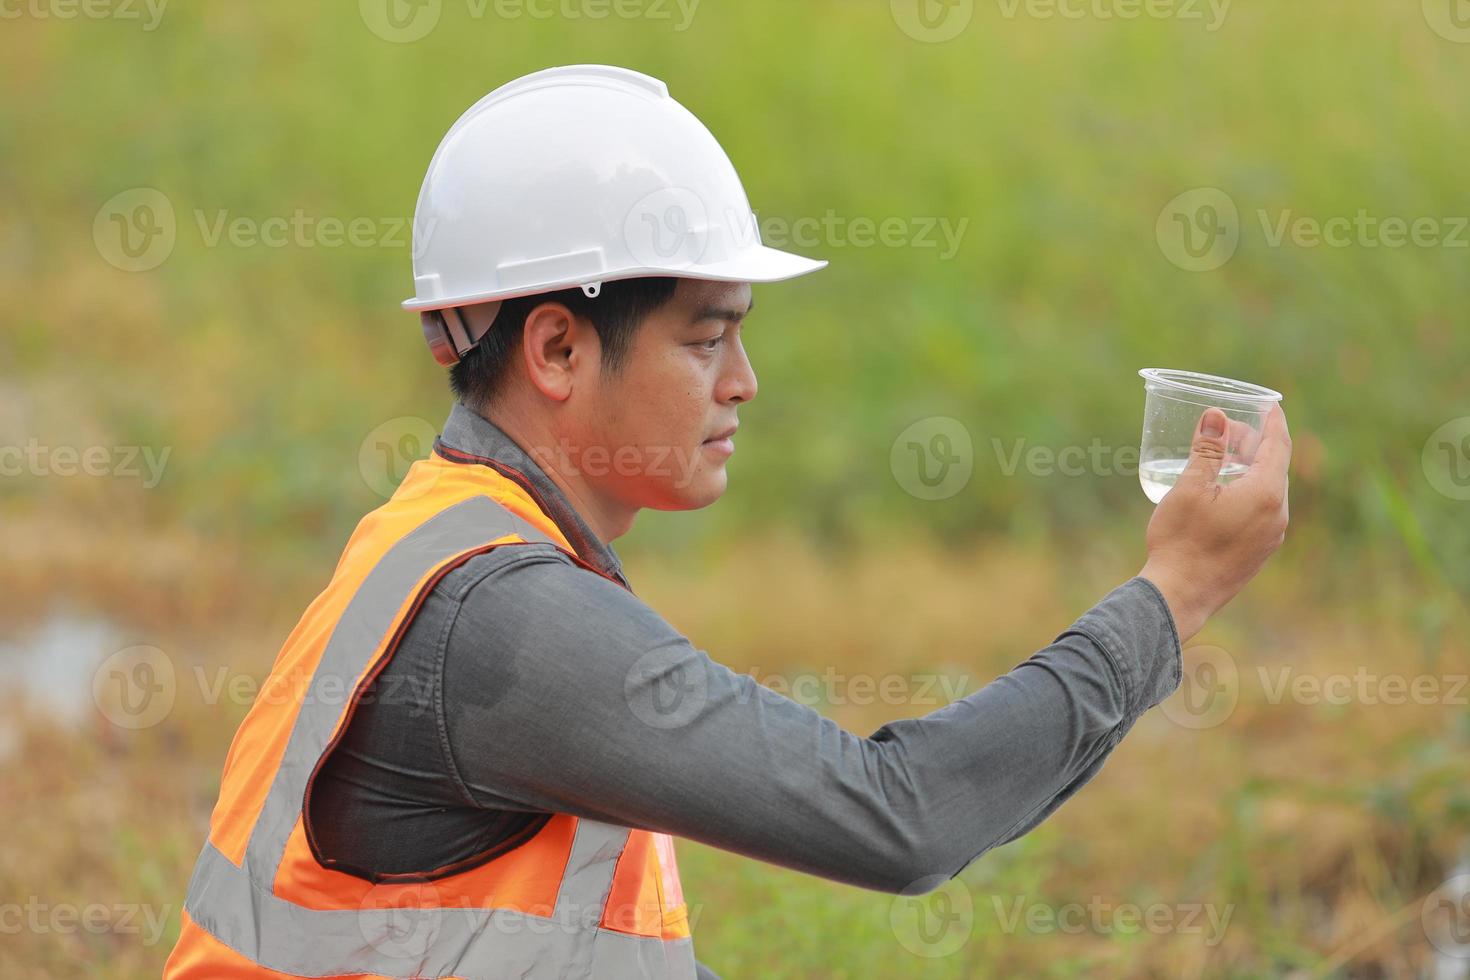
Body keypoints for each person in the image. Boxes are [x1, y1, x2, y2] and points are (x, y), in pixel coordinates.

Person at [164, 65, 1291, 979]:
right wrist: (1174, 594)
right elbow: (897, 817)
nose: (744, 381)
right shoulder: (506, 621)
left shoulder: (456, 534)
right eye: (707, 338)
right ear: (557, 348)